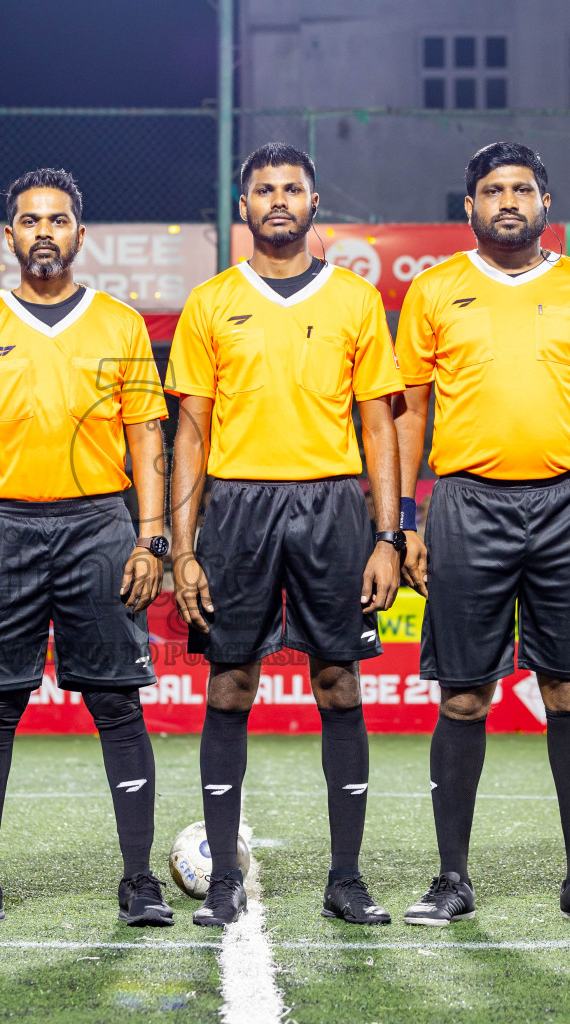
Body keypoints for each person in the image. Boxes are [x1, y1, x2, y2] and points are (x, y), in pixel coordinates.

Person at [394, 142, 570, 928]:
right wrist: (402, 520)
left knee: (569, 691)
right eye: (493, 189)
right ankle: (451, 879)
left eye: (523, 188)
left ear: (545, 203)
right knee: (465, 695)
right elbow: (410, 412)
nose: (509, 200)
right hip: (466, 505)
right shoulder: (434, 290)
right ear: (469, 205)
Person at [165, 143, 404, 928]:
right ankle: (223, 881)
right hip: (237, 507)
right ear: (244, 206)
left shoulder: (356, 300)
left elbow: (379, 427)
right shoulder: (210, 302)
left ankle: (347, 879)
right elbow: (190, 435)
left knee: (339, 683)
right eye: (263, 189)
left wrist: (389, 536)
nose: (277, 199)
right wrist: (184, 549)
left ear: (313, 202)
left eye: (291, 188)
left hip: (333, 505)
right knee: (229, 685)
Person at [0, 168, 172, 928]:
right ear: (9, 236)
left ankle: (139, 880)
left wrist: (152, 536)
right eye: (30, 221)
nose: (43, 232)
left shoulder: (121, 325)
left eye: (57, 220)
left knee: (116, 702)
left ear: (79, 234)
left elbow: (147, 436)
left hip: (100, 524)